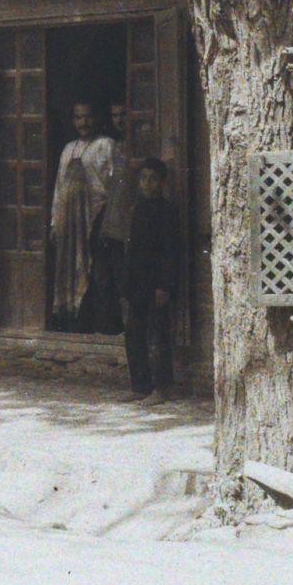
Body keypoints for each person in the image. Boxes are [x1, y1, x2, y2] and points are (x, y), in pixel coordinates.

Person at [50, 100, 115, 330]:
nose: (83, 123)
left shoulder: (106, 145)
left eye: (87, 117)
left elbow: (113, 185)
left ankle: (99, 325)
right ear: (73, 120)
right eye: (78, 118)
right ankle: (73, 322)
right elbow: (59, 187)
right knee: (70, 270)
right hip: (70, 223)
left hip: (97, 218)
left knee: (97, 274)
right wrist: (54, 222)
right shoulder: (69, 149)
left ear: (95, 118)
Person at [121, 157, 180, 402]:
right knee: (134, 334)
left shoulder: (166, 212)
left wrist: (164, 285)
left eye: (153, 179)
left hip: (156, 284)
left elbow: (170, 252)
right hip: (137, 283)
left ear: (162, 182)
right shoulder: (136, 210)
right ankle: (140, 385)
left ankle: (161, 387)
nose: (147, 184)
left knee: (157, 337)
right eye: (143, 178)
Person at [85, 101, 135, 333]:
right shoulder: (115, 145)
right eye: (115, 115)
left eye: (123, 114)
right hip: (111, 219)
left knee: (125, 277)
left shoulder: (135, 144)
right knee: (105, 275)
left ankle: (129, 326)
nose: (119, 120)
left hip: (128, 219)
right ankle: (108, 326)